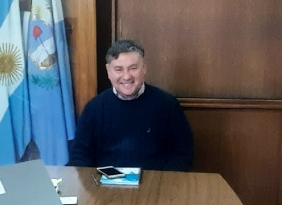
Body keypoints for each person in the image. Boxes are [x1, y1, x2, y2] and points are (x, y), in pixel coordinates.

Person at [67, 40, 193, 171]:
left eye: (133, 68)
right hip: (105, 186)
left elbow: (182, 156)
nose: (126, 76)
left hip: (155, 185)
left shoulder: (168, 105)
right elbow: (80, 156)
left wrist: (160, 185)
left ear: (144, 68)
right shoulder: (94, 108)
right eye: (118, 69)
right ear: (108, 71)